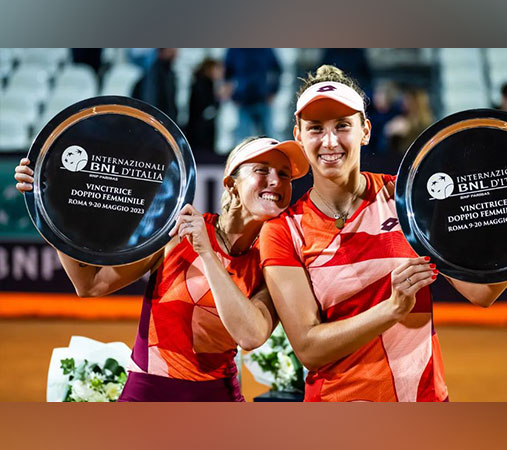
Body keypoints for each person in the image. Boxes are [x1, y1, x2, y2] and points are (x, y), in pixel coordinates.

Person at [259, 65, 507, 402]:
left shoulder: (409, 202)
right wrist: (392, 309)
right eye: (315, 129)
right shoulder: (283, 231)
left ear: (365, 131)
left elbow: (481, 293)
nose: (330, 141)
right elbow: (310, 349)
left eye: (343, 126)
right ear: (299, 137)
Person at [14, 136, 309, 401]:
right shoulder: (176, 232)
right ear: (231, 184)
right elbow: (90, 285)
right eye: (262, 171)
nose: (276, 181)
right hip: (145, 398)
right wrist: (49, 206)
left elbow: (251, 335)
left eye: (284, 175)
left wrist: (207, 253)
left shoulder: (276, 259)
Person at [224, 48, 282, 142]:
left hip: (263, 99)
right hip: (243, 101)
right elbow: (227, 74)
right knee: (243, 140)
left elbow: (277, 70)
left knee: (270, 138)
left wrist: (273, 91)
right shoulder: (234, 50)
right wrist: (233, 96)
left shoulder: (265, 49)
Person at [187, 57, 224, 155]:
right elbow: (205, 108)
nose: (220, 72)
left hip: (202, 130)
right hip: (200, 133)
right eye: (217, 69)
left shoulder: (207, 83)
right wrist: (218, 97)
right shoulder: (201, 85)